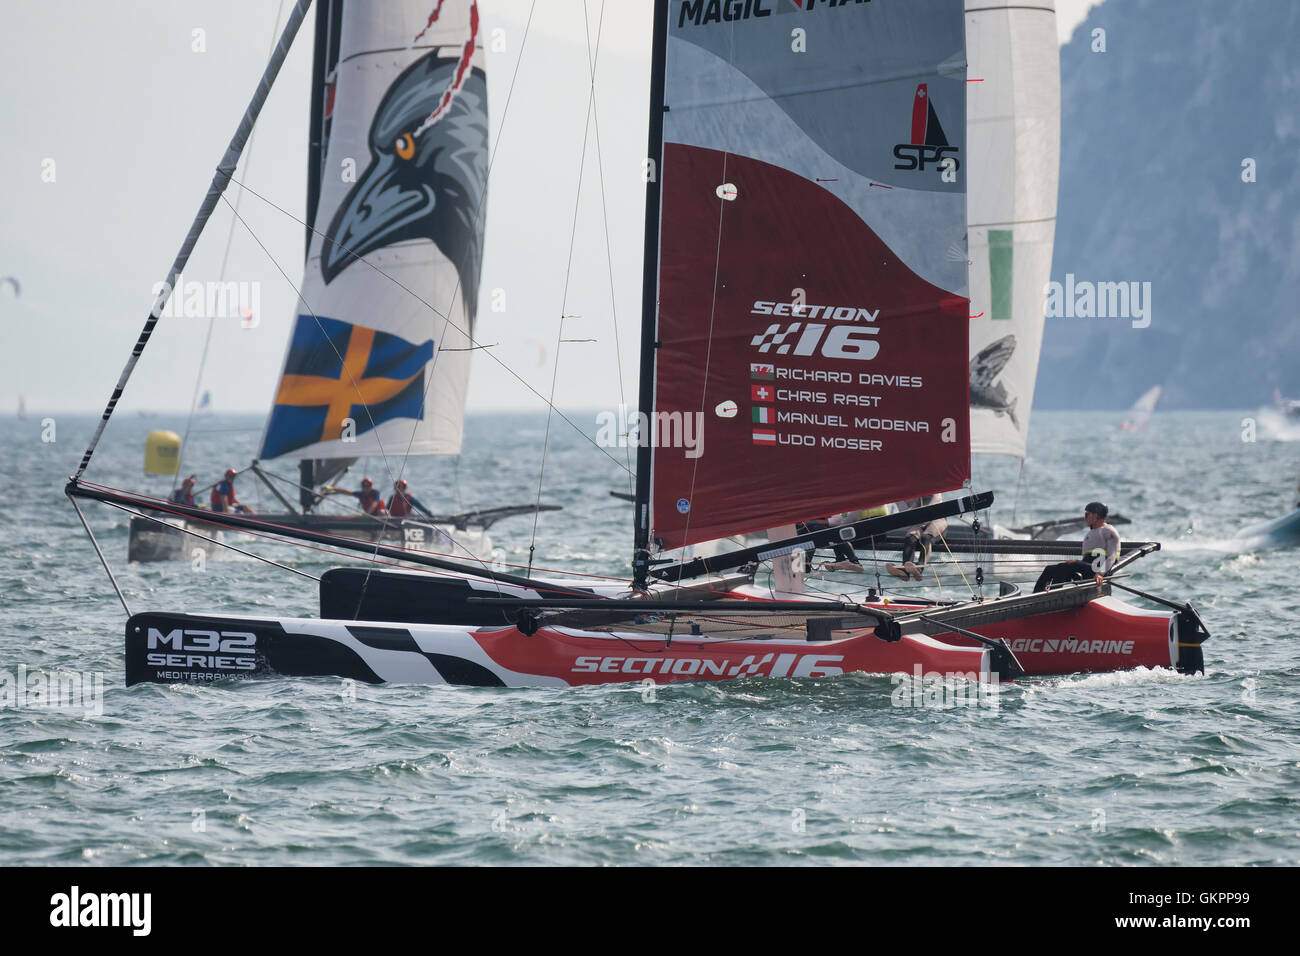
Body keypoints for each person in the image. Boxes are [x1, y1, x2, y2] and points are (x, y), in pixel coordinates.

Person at [1033, 501, 1120, 592]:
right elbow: (1086, 560)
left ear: (1095, 516)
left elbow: (1112, 557)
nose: (1085, 518)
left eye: (1087, 514)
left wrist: (1100, 573)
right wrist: (1076, 564)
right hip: (1089, 567)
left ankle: (1053, 594)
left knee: (1067, 566)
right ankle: (1036, 595)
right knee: (1050, 569)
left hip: (1099, 569)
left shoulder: (1109, 531)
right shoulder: (1091, 533)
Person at [886, 494, 947, 581]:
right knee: (910, 537)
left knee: (925, 537)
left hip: (938, 521)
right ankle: (905, 571)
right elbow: (907, 519)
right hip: (920, 521)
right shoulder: (914, 495)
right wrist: (900, 501)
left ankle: (919, 569)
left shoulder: (936, 493)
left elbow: (932, 505)